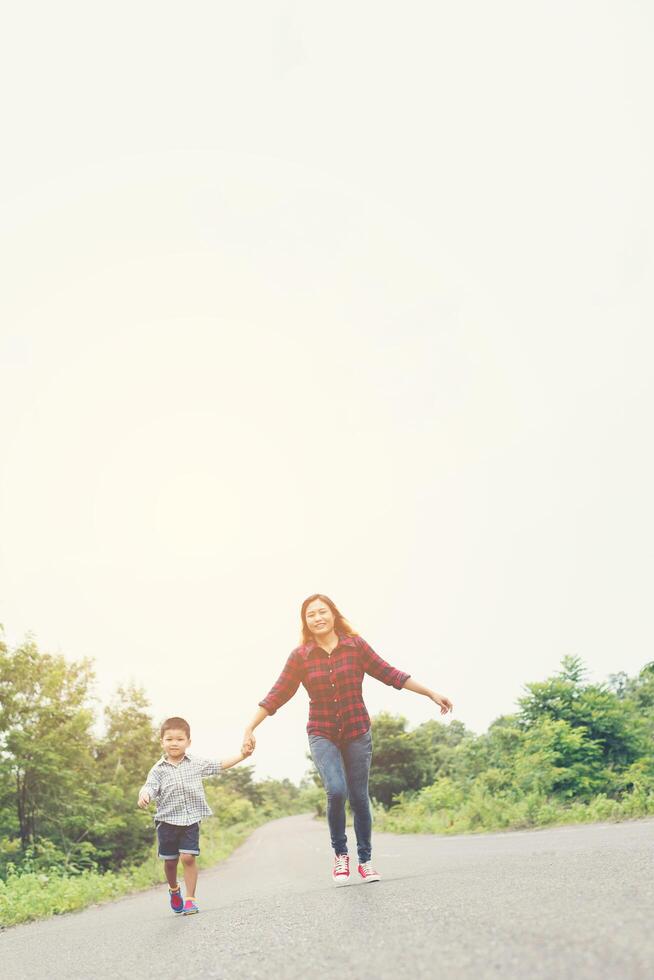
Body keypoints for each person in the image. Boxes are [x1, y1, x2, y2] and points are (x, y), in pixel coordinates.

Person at [242, 594, 453, 886]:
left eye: (322, 612)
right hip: (322, 732)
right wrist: (250, 728)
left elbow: (390, 673)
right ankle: (341, 855)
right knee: (336, 790)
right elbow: (277, 694)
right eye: (311, 615)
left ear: (333, 614)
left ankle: (365, 860)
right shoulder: (301, 656)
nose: (317, 618)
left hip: (356, 730)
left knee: (359, 797)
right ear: (305, 622)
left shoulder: (356, 646)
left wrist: (430, 693)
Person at [138, 716, 253, 915]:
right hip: (167, 821)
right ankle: (174, 890)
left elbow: (219, 764)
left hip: (191, 819)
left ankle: (190, 899)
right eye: (169, 739)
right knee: (170, 861)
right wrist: (144, 795)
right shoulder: (158, 770)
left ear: (188, 742)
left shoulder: (196, 763)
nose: (174, 743)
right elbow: (149, 787)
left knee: (188, 857)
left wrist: (242, 756)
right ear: (162, 742)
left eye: (180, 739)